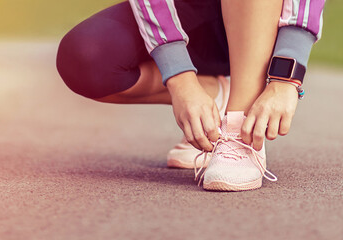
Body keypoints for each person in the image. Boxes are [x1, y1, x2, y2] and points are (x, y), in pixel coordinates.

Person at [56, 0, 325, 191]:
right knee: (85, 56)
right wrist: (180, 79)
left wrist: (286, 76)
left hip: (265, 15)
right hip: (187, 13)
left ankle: (239, 125)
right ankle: (216, 95)